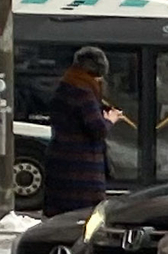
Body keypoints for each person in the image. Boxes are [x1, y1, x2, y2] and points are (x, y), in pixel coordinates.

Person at [43, 45, 127, 216]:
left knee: (60, 217)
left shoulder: (65, 85)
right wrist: (110, 119)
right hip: (81, 168)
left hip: (61, 162)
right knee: (83, 217)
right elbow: (98, 129)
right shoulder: (83, 91)